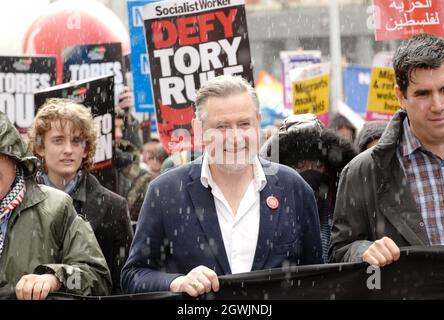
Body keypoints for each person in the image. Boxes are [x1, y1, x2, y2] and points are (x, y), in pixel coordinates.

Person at [121, 75, 323, 297]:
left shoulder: (293, 188)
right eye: (222, 127)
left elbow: (317, 280)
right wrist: (177, 282)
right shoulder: (165, 192)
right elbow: (134, 275)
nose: (235, 138)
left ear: (259, 122)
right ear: (198, 130)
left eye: (244, 124)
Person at [330, 33, 444, 267]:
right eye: (423, 93)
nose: (438, 105)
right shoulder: (364, 171)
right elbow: (340, 250)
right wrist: (364, 251)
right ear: (401, 96)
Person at [0, 111, 111, 299]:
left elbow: (97, 278)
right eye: (58, 140)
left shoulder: (56, 207)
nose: (67, 150)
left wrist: (55, 279)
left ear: (13, 157)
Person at [28, 99, 133, 294]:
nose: (68, 149)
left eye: (76, 141)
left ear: (85, 149)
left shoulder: (113, 206)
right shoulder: (20, 200)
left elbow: (122, 283)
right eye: (58, 140)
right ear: (40, 147)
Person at [260, 113, 356, 262]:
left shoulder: (346, 207)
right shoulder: (267, 212)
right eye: (300, 165)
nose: (310, 171)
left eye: (318, 165)